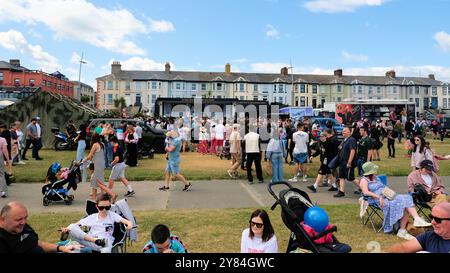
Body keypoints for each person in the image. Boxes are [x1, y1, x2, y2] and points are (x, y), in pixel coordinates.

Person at [359, 162, 431, 240]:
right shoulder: (364, 180)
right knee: (403, 203)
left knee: (406, 198)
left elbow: (384, 187)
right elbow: (366, 192)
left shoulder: (376, 177)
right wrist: (379, 197)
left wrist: (390, 193)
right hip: (376, 200)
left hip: (387, 196)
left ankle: (416, 219)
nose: (376, 170)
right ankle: (402, 230)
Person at [60, 194, 132, 253]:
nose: (104, 210)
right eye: (101, 208)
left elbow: (126, 221)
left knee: (106, 250)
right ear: (97, 206)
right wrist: (66, 229)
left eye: (107, 207)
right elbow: (76, 225)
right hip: (91, 241)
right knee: (71, 227)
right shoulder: (92, 217)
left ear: (110, 206)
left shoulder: (112, 215)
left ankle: (71, 240)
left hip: (105, 242)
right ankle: (68, 236)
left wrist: (129, 225)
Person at [0, 202, 78, 253]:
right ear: (2, 220)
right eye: (18, 219)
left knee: (83, 249)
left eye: (25, 218)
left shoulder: (20, 227)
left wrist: (60, 248)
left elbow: (36, 243)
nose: (23, 222)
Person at [82, 133, 116, 202]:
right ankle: (97, 198)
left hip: (97, 165)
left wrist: (84, 160)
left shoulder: (95, 145)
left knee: (96, 181)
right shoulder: (102, 144)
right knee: (97, 181)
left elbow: (90, 155)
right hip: (101, 164)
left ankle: (111, 194)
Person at [334, 127, 358, 198]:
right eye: (342, 131)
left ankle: (364, 189)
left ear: (349, 132)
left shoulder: (352, 140)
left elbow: (352, 151)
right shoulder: (344, 140)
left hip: (348, 163)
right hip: (342, 162)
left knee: (351, 178)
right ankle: (341, 191)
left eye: (345, 131)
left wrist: (349, 162)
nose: (343, 132)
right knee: (341, 177)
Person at [0, 133, 12, 198]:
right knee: (1, 174)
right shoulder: (2, 140)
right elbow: (5, 150)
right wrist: (8, 159)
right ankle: (2, 191)